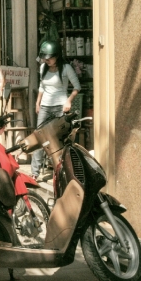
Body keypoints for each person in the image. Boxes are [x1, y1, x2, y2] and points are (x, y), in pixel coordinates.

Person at [32, 41, 81, 179]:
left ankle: (61, 172)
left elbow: (77, 87)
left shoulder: (66, 68)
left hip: (60, 106)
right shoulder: (43, 67)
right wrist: (38, 102)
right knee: (40, 136)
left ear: (57, 56)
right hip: (45, 107)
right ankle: (34, 173)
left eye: (50, 57)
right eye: (45, 58)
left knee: (59, 139)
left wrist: (68, 101)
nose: (47, 60)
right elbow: (42, 86)